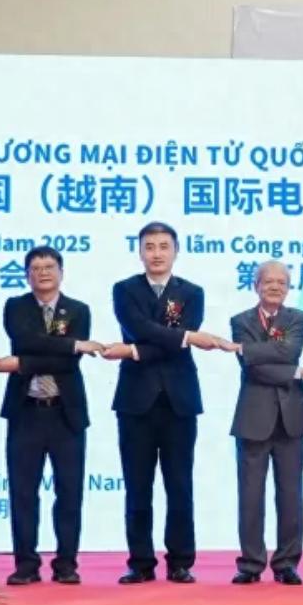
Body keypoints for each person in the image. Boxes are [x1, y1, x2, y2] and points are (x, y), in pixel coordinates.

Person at [101, 221, 228, 584]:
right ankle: (140, 562)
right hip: (135, 401)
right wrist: (186, 337)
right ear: (140, 252)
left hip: (179, 400)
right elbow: (140, 329)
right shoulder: (124, 289)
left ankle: (180, 561)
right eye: (149, 246)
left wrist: (135, 351)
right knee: (137, 486)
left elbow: (158, 341)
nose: (156, 253)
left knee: (179, 484)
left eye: (163, 246)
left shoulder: (192, 292)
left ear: (175, 251)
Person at [0, 245, 100, 585]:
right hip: (26, 411)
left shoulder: (78, 310)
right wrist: (72, 345)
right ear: (27, 275)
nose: (43, 273)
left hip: (66, 413)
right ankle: (26, 565)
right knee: (23, 492)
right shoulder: (16, 307)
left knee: (69, 492)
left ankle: (66, 564)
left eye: (49, 267)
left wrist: (23, 363)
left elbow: (68, 363)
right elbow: (26, 340)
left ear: (61, 272)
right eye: (36, 268)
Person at [227, 260, 303, 585]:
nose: (275, 287)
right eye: (269, 281)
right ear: (256, 285)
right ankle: (250, 564)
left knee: (290, 494)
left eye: (282, 282)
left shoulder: (298, 318)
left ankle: (286, 563)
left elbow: (289, 352)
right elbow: (252, 368)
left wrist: (255, 351)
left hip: (292, 416)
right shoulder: (240, 320)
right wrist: (298, 372)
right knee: (250, 495)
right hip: (253, 417)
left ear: (289, 287)